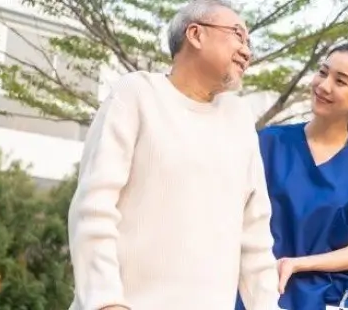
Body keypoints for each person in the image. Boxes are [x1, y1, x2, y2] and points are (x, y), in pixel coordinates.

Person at [66, 1, 280, 309]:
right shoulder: (136, 93)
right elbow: (93, 206)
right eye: (237, 34)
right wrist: (105, 300)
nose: (247, 51)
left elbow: (255, 233)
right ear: (195, 34)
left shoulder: (240, 118)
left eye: (248, 42)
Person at [235, 43, 348, 310]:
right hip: (261, 295)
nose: (324, 85)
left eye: (340, 81)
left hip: (331, 301)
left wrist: (297, 264)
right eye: (323, 72)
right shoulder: (267, 144)